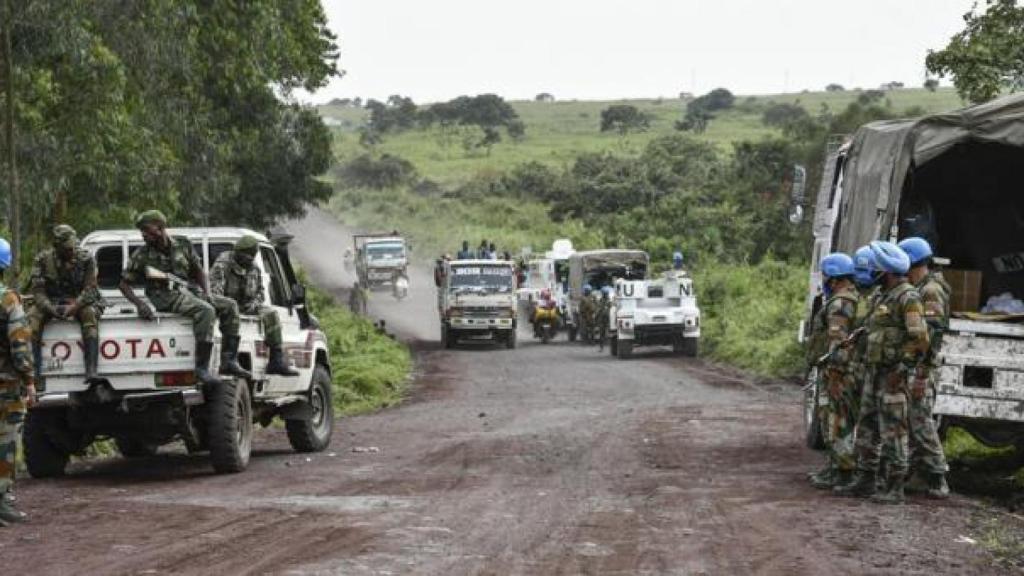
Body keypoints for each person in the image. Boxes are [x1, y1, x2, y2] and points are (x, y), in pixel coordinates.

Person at [835, 241, 929, 504]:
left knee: (893, 431)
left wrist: (902, 369)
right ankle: (865, 478)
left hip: (892, 375)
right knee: (867, 426)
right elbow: (871, 330)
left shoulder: (907, 297)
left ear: (886, 271)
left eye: (876, 267)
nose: (871, 271)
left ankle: (894, 486)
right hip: (874, 373)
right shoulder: (881, 296)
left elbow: (920, 339)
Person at [119, 210, 250, 385]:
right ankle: (201, 368)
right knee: (206, 311)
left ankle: (229, 360)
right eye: (141, 231)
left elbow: (198, 271)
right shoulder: (141, 255)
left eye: (147, 229)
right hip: (164, 296)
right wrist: (139, 304)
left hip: (187, 291)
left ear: (160, 227)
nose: (144, 234)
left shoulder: (183, 244)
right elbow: (123, 284)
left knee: (230, 305)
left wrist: (208, 293)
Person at [898, 236, 951, 498]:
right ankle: (920, 474)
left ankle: (938, 475)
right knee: (915, 419)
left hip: (924, 366)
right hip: (921, 364)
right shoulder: (923, 287)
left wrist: (921, 373)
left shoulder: (930, 291)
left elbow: (932, 335)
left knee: (921, 422)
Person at [209, 235, 298, 377]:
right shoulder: (223, 264)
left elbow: (261, 292)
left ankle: (276, 361)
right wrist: (230, 305)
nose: (247, 260)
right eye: (243, 256)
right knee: (231, 307)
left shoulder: (254, 268)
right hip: (226, 306)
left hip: (246, 306)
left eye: (250, 257)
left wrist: (254, 304)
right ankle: (228, 359)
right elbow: (214, 293)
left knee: (271, 313)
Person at [808, 253, 860, 490]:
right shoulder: (847, 298)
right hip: (837, 370)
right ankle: (834, 467)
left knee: (838, 421)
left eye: (826, 276)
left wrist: (835, 374)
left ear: (834, 278)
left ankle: (844, 471)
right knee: (832, 420)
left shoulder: (840, 303)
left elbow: (838, 342)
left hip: (838, 372)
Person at [28, 224, 102, 382]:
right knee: (32, 318)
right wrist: (49, 308)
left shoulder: (86, 259)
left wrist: (75, 307)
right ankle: (34, 374)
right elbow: (38, 292)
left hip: (78, 300)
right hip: (51, 301)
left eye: (74, 246)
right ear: (57, 247)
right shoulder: (42, 260)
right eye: (68, 248)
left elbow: (91, 289)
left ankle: (91, 370)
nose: (72, 251)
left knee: (90, 314)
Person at [0, 237, 36, 526]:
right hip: (6, 384)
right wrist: (30, 379)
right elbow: (20, 346)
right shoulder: (9, 299)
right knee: (7, 441)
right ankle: (2, 500)